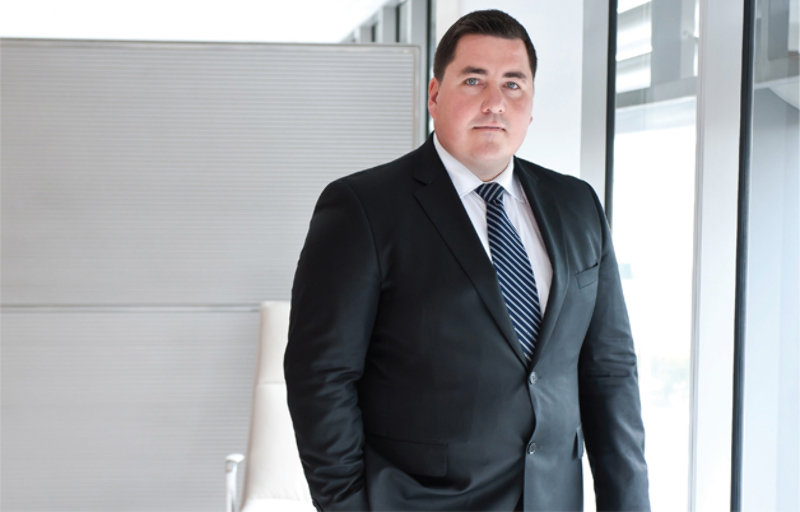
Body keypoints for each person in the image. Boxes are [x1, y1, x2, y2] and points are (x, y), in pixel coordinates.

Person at [284, 9, 650, 512]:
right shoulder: (363, 208)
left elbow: (610, 373)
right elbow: (321, 376)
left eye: (513, 84)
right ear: (435, 95)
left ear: (531, 104)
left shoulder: (577, 205)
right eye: (474, 80)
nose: (495, 102)